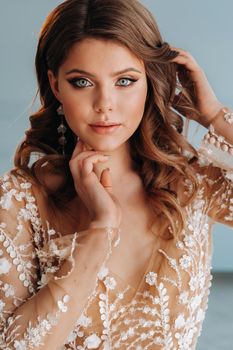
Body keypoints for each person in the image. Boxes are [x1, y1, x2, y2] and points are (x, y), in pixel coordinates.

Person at [0, 0, 232, 348]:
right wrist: (100, 229)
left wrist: (215, 116)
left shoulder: (191, 184)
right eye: (82, 82)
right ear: (56, 85)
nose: (105, 103)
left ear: (150, 81)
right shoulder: (21, 200)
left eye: (125, 80)